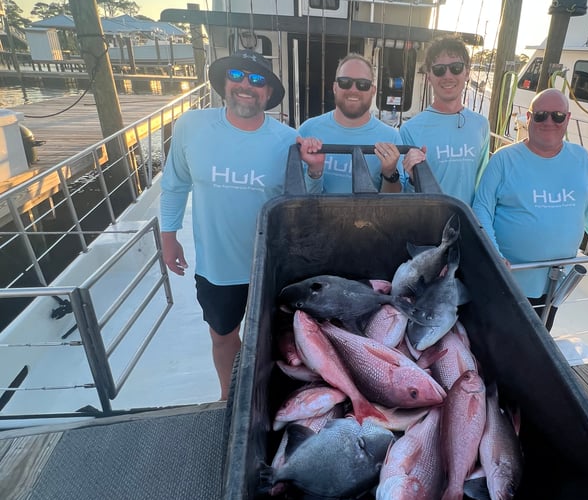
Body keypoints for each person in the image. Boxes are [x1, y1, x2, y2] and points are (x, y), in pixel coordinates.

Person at [160, 51, 325, 399]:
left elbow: (304, 201)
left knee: (274, 339)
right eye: (237, 75)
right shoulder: (191, 126)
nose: (245, 85)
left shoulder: (287, 139)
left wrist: (313, 169)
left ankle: (269, 398)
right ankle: (228, 397)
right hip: (217, 266)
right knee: (222, 335)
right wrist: (168, 236)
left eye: (257, 80)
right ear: (224, 82)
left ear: (267, 93)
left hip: (271, 266)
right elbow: (175, 183)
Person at [472, 88, 588, 327]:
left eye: (557, 116)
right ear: (529, 118)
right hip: (508, 280)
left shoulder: (580, 157)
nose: (549, 122)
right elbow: (482, 210)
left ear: (568, 119)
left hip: (556, 282)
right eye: (540, 115)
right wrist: (494, 255)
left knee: (541, 343)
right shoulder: (504, 159)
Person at [401, 37, 489, 205]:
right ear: (429, 76)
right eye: (439, 70)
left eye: (456, 68)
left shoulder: (481, 125)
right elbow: (404, 193)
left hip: (468, 225)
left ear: (467, 73)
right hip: (427, 225)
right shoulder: (409, 129)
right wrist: (414, 178)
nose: (448, 76)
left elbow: (482, 187)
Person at [299, 53, 404, 193]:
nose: (353, 90)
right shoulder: (307, 130)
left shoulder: (391, 138)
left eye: (363, 84)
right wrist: (315, 172)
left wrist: (390, 174)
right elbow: (296, 199)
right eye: (345, 82)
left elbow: (394, 205)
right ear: (335, 87)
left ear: (373, 90)